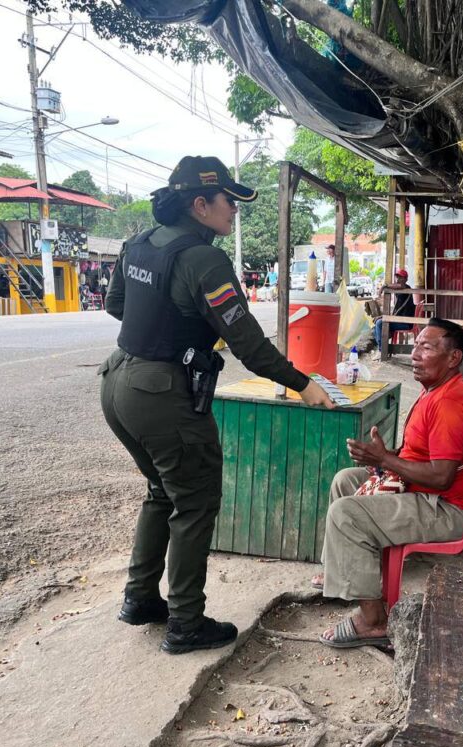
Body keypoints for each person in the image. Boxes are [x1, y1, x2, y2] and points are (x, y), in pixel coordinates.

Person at [100, 155, 336, 655]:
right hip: (161, 394)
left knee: (161, 490)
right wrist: (302, 384)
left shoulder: (139, 243)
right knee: (195, 502)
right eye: (229, 201)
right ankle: (186, 623)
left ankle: (140, 599)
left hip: (118, 382)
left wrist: (170, 325)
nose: (235, 210)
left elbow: (117, 305)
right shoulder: (203, 259)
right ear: (200, 204)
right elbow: (247, 343)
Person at [318, 318, 463, 648]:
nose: (415, 355)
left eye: (427, 348)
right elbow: (421, 455)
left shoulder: (450, 403)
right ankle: (345, 576)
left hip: (446, 509)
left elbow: (441, 477)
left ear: (454, 357)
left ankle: (374, 622)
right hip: (424, 492)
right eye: (416, 345)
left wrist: (384, 460)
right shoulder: (434, 391)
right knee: (345, 481)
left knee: (346, 514)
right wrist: (384, 456)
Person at [372, 268, 414, 349]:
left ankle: (382, 349)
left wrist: (384, 286)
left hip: (406, 323)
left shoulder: (406, 288)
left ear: (406, 279)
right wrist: (382, 316)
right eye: (397, 277)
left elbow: (401, 286)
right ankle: (384, 347)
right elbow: (396, 313)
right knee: (376, 324)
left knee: (380, 323)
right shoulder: (399, 293)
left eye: (401, 277)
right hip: (399, 320)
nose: (398, 279)